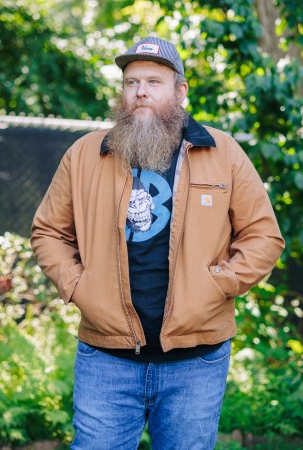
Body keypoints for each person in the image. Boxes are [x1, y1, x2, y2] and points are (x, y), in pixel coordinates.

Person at [31, 36, 284, 450]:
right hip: (107, 358)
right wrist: (78, 285)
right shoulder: (84, 155)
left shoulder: (223, 153)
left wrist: (219, 284)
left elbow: (263, 236)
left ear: (180, 91)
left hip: (196, 360)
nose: (141, 92)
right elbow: (49, 232)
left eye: (153, 81)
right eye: (132, 82)